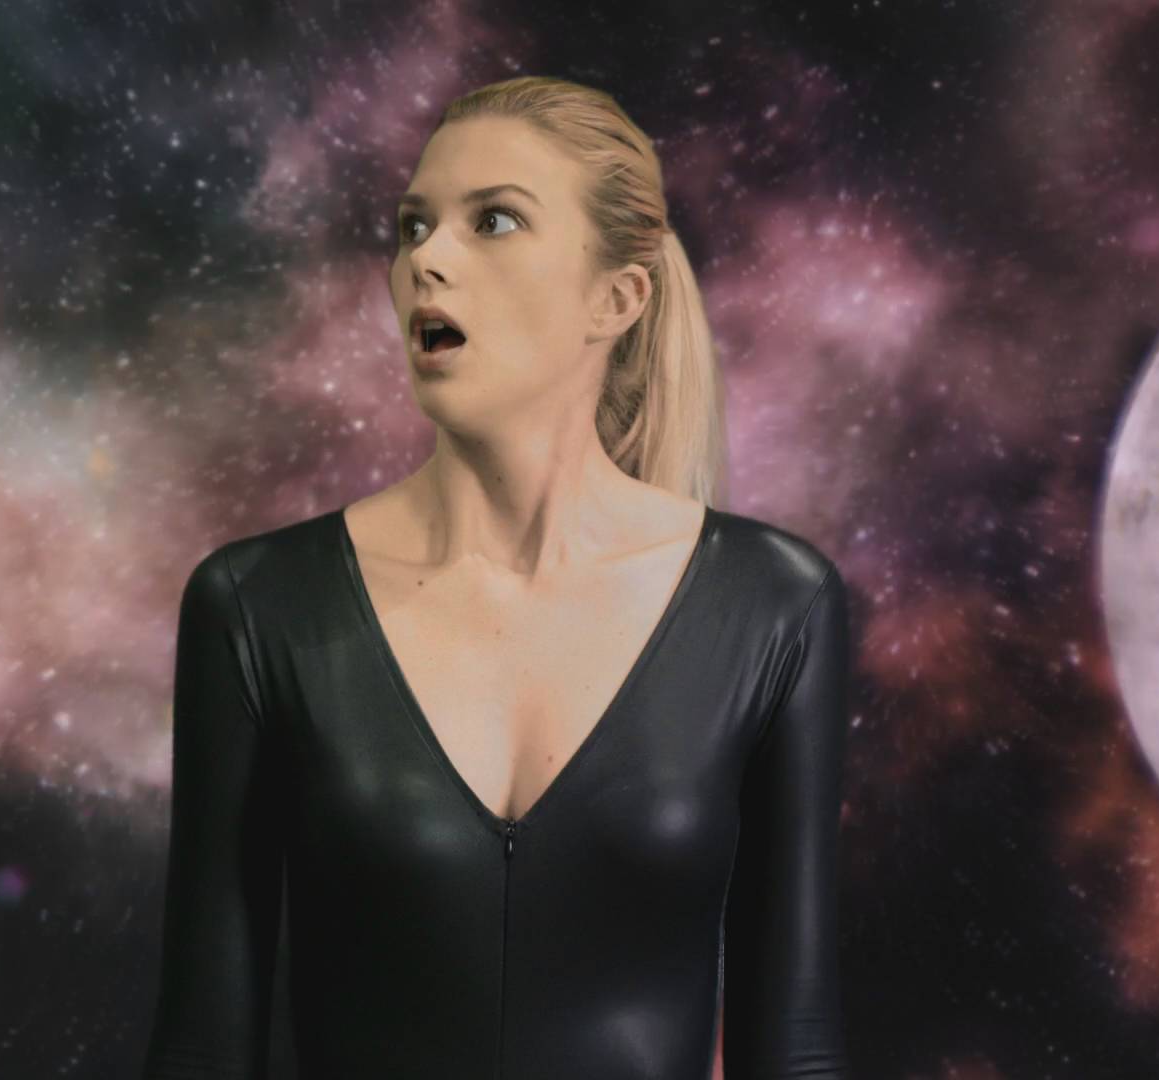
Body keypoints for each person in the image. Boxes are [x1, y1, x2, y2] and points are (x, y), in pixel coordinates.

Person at [144, 75, 852, 1079]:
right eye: (413, 226)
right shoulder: (259, 606)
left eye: (496, 221)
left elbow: (798, 1048)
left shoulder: (774, 604)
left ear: (618, 297)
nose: (426, 258)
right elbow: (200, 1050)